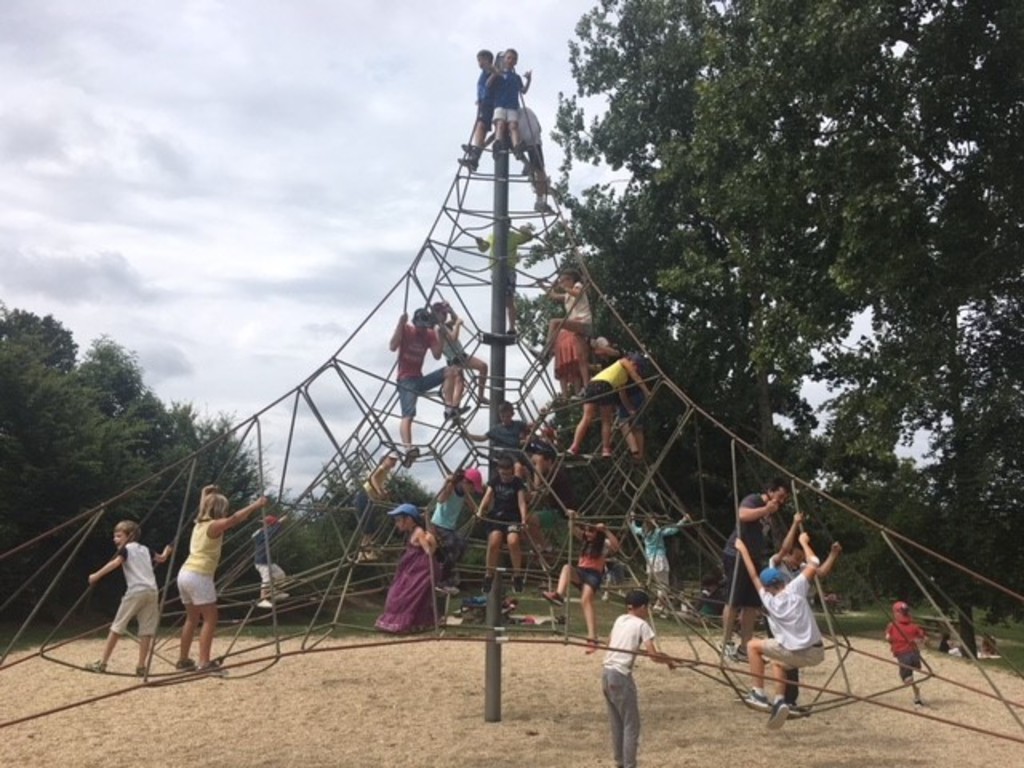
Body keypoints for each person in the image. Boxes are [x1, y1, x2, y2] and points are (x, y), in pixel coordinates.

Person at [734, 532, 825, 730]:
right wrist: (804, 542)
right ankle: (779, 701)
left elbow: (753, 575)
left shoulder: (769, 601)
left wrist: (743, 550)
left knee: (752, 646)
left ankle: (758, 692)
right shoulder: (796, 588)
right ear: (783, 581)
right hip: (817, 652)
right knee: (778, 660)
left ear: (767, 588)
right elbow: (815, 562)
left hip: (797, 652)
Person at [176, 485, 270, 675]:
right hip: (199, 575)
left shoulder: (199, 524)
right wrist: (256, 505)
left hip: (184, 573)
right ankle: (204, 663)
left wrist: (204, 493)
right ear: (219, 510)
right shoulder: (214, 526)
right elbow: (235, 519)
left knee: (192, 618)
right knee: (211, 618)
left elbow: (204, 508)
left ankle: (183, 660)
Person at [766, 511, 843, 717]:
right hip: (781, 619)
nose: (797, 562)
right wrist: (795, 524)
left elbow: (820, 571)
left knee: (794, 661)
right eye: (795, 557)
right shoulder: (776, 564)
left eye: (800, 558)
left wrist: (833, 555)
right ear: (789, 554)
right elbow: (784, 548)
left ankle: (789, 701)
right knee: (785, 659)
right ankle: (783, 700)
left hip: (797, 620)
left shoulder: (798, 569)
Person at [602, 590, 678, 768]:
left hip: (606, 674)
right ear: (643, 607)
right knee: (631, 725)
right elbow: (653, 655)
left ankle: (619, 762)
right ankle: (629, 765)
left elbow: (610, 644)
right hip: (620, 676)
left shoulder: (620, 620)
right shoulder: (642, 625)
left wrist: (666, 658)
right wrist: (667, 660)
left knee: (617, 723)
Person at [86, 520, 172, 675]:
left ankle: (102, 663)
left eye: (119, 536)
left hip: (136, 591)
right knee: (146, 630)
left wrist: (96, 575)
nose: (115, 539)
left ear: (129, 536)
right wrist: (168, 550)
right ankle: (141, 666)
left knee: (117, 627)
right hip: (152, 591)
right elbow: (162, 558)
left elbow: (115, 564)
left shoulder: (126, 550)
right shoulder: (146, 549)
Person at [720, 478, 790, 663]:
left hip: (753, 557)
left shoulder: (773, 514)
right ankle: (726, 643)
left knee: (752, 604)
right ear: (770, 491)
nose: (781, 501)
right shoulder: (754, 500)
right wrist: (766, 510)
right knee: (734, 600)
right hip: (736, 554)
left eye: (784, 499)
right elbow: (742, 515)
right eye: (780, 496)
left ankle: (745, 647)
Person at [389, 309, 455, 465]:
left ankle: (449, 408)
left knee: (451, 371)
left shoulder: (429, 334)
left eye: (425, 326)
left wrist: (442, 335)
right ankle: (408, 448)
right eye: (420, 326)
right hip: (406, 380)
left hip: (419, 379)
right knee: (408, 415)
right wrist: (400, 323)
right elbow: (392, 346)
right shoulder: (406, 330)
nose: (422, 329)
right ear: (414, 323)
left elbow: (437, 355)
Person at [543, 522, 620, 653]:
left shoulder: (604, 544)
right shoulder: (585, 540)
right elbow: (572, 527)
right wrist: (573, 517)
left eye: (591, 531)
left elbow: (616, 546)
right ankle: (559, 595)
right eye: (586, 531)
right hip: (580, 572)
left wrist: (606, 530)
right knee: (566, 568)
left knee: (586, 601)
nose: (587, 534)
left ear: (597, 533)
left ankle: (592, 638)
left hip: (593, 575)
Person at [567, 354, 652, 458]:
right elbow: (636, 377)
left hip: (591, 385)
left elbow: (622, 394)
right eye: (637, 368)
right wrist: (646, 391)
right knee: (606, 420)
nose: (636, 371)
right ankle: (606, 449)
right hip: (605, 386)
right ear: (633, 363)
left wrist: (629, 409)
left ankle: (574, 447)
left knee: (586, 417)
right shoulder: (624, 361)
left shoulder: (622, 377)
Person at [375, 504, 441, 634]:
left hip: (418, 571)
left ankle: (404, 623)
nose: (397, 524)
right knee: (397, 592)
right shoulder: (412, 533)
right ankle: (398, 622)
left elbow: (428, 552)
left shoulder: (419, 532)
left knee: (405, 594)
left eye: (399, 520)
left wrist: (432, 543)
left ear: (409, 520)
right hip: (410, 569)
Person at [475, 454, 529, 594]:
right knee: (494, 541)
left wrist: (523, 520)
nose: (504, 477)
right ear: (498, 471)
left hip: (513, 518)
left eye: (507, 474)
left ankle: (517, 575)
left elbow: (521, 502)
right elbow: (487, 496)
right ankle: (488, 575)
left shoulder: (517, 483)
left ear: (512, 471)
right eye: (502, 474)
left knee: (513, 541)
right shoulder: (495, 481)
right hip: (497, 517)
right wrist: (480, 511)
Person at [429, 467, 483, 594]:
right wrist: (447, 483)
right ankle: (442, 581)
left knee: (463, 545)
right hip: (438, 525)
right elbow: (440, 499)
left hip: (450, 528)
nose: (472, 491)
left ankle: (451, 571)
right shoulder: (451, 488)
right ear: (465, 482)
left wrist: (478, 513)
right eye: (472, 487)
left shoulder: (464, 493)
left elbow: (474, 507)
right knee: (453, 546)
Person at [475, 224, 535, 335]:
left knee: (509, 300)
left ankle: (512, 327)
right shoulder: (493, 235)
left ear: (508, 226)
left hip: (508, 270)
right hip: (496, 270)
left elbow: (528, 237)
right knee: (498, 300)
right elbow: (485, 247)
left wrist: (523, 229)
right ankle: (498, 326)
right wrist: (480, 243)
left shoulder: (513, 236)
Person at [536, 270, 593, 385]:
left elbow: (577, 294)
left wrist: (563, 287)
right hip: (577, 327)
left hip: (583, 323)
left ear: (570, 280)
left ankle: (546, 351)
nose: (562, 283)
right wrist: (542, 286)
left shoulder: (578, 286)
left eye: (563, 280)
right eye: (561, 281)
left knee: (555, 322)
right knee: (581, 358)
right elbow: (554, 296)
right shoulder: (568, 295)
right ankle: (586, 385)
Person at [525, 439, 578, 562]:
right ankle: (541, 547)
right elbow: (535, 492)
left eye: (539, 462)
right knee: (523, 525)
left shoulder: (555, 474)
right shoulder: (551, 474)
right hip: (556, 511)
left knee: (529, 520)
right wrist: (528, 476)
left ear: (548, 461)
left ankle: (546, 548)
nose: (536, 465)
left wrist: (535, 470)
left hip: (562, 513)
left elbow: (536, 492)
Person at [431, 300, 488, 411]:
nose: (445, 315)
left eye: (445, 313)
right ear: (436, 314)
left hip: (455, 358)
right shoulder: (439, 328)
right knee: (483, 366)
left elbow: (455, 319)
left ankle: (455, 408)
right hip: (457, 357)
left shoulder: (443, 326)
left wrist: (450, 309)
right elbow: (453, 338)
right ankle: (480, 396)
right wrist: (457, 325)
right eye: (443, 313)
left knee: (460, 384)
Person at [629, 513, 690, 614]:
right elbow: (673, 530)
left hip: (650, 560)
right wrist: (683, 520)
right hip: (659, 559)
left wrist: (632, 518)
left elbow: (634, 528)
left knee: (659, 585)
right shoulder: (657, 531)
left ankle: (659, 604)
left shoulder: (643, 532)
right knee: (664, 585)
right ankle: (658, 604)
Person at [466, 400, 534, 479]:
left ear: (512, 414)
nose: (505, 419)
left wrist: (529, 437)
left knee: (535, 461)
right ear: (499, 415)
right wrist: (468, 435)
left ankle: (537, 487)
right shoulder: (496, 429)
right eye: (503, 416)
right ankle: (517, 487)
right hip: (507, 454)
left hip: (519, 452)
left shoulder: (518, 424)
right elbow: (482, 438)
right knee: (518, 467)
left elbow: (531, 428)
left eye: (508, 416)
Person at [458, 49, 500, 171]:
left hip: (489, 104)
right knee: (480, 127)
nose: (479, 63)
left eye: (481, 60)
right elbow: (483, 88)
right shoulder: (483, 73)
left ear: (487, 60)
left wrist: (492, 68)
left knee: (481, 125)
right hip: (484, 103)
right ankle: (475, 155)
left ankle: (476, 151)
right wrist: (479, 99)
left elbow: (495, 72)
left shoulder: (489, 70)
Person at [353, 453, 400, 561]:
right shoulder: (382, 468)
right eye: (391, 459)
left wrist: (383, 492)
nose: (393, 462)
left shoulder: (386, 471)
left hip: (370, 498)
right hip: (365, 496)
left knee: (370, 527)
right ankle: (364, 552)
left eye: (395, 460)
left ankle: (365, 552)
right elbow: (372, 477)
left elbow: (377, 482)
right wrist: (379, 491)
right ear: (384, 459)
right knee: (368, 526)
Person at [885, 601, 928, 707]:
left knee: (907, 679)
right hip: (914, 654)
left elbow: (888, 638)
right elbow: (924, 638)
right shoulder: (914, 626)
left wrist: (893, 641)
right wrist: (918, 641)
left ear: (897, 613)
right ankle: (917, 697)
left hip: (903, 655)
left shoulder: (892, 625)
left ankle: (915, 691)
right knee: (915, 674)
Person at [492, 48, 531, 157]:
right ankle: (497, 143)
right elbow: (489, 85)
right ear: (504, 60)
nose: (511, 61)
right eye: (509, 58)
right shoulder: (499, 74)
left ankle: (516, 146)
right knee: (500, 124)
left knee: (513, 126)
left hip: (512, 106)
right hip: (500, 104)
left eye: (514, 59)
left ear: (516, 62)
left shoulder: (516, 77)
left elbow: (523, 91)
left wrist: (528, 80)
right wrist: (495, 73)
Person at [516, 105, 554, 213]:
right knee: (540, 171)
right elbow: (539, 128)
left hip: (528, 142)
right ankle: (539, 201)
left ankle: (526, 164)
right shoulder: (527, 111)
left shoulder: (512, 115)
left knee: (539, 172)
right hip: (534, 142)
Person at [252, 514, 290, 609]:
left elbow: (273, 531)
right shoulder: (263, 533)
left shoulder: (264, 532)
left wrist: (278, 523)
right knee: (266, 579)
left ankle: (275, 592)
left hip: (268, 561)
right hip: (262, 562)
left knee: (280, 574)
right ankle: (262, 599)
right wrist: (280, 521)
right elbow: (273, 531)